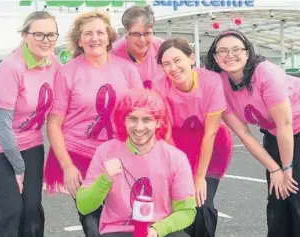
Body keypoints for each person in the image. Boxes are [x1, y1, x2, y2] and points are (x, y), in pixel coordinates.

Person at [43, 11, 143, 237]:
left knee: (125, 217)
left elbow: (141, 113)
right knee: (92, 221)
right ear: (79, 40)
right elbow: (54, 123)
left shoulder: (127, 69)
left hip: (120, 154)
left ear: (109, 37)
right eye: (88, 34)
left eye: (100, 32)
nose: (94, 38)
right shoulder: (67, 72)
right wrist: (67, 166)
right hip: (79, 155)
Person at [205, 28, 300, 237]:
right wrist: (275, 169)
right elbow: (245, 134)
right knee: (278, 196)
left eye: (236, 49)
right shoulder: (218, 84)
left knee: (295, 194)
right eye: (223, 51)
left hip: (295, 127)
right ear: (215, 56)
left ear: (247, 52)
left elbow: (284, 123)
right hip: (275, 134)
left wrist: (287, 167)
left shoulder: (264, 73)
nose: (230, 55)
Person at [76, 88, 196, 237]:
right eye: (132, 119)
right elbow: (84, 206)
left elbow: (187, 211)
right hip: (117, 230)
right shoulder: (106, 151)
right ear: (123, 120)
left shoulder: (176, 158)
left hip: (158, 229)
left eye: (147, 120)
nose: (139, 127)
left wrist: (158, 230)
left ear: (158, 122)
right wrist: (105, 180)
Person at [154, 37, 233, 237]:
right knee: (181, 201)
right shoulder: (159, 86)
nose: (173, 68)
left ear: (191, 58)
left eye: (177, 60)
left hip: (213, 146)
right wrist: (182, 171)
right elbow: (167, 134)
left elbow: (211, 133)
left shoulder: (211, 81)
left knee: (201, 201)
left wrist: (199, 177)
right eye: (166, 64)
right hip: (178, 146)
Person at [0, 11, 60, 237]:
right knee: (12, 210)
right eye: (39, 34)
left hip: (32, 145)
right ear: (25, 36)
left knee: (32, 209)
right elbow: (2, 127)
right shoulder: (10, 68)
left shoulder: (53, 62)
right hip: (1, 149)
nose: (46, 41)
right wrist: (19, 168)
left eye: (51, 35)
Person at [112, 5, 164, 88]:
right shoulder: (113, 55)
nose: (142, 40)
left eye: (147, 33)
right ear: (126, 32)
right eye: (136, 34)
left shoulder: (163, 48)